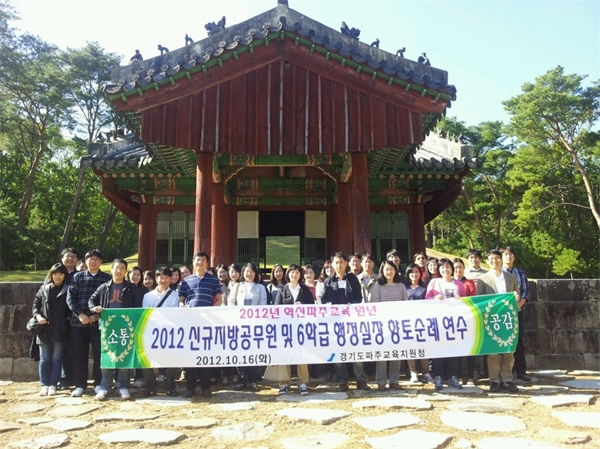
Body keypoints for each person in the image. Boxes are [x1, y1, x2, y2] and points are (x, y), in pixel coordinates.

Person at [89, 259, 142, 400]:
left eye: (122, 268)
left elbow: (137, 306)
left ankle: (123, 385)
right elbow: (91, 300)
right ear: (111, 270)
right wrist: (95, 308)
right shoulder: (104, 287)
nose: (119, 271)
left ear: (125, 271)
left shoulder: (131, 288)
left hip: (125, 327)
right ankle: (105, 386)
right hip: (107, 327)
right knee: (107, 355)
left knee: (124, 355)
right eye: (116, 268)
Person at [66, 249, 111, 397]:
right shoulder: (77, 277)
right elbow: (70, 298)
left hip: (99, 323)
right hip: (78, 322)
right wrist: (80, 314)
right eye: (91, 259)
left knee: (100, 354)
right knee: (79, 354)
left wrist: (98, 315)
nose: (94, 262)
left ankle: (98, 383)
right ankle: (80, 384)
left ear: (101, 261)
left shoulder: (107, 278)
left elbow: (109, 301)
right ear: (85, 261)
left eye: (97, 259)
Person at [178, 252, 223, 398]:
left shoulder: (213, 280)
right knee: (191, 355)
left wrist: (212, 311)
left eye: (203, 260)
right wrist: (183, 307)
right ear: (193, 262)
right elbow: (181, 300)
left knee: (205, 355)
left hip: (207, 323)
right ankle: (190, 387)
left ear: (207, 263)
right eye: (198, 260)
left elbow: (219, 299)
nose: (200, 262)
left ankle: (205, 387)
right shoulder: (186, 281)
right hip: (190, 323)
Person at [323, 252, 369, 392]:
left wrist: (352, 304)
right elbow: (323, 299)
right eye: (336, 262)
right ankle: (342, 381)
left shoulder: (353, 279)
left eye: (341, 262)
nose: (339, 265)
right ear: (332, 264)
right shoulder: (328, 282)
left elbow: (359, 297)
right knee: (338, 353)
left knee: (356, 351)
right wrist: (327, 304)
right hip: (335, 323)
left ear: (346, 263)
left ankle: (361, 380)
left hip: (352, 322)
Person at [476, 249, 520, 393]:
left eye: (496, 258)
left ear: (501, 259)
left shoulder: (511, 278)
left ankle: (507, 380)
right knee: (493, 352)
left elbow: (516, 295)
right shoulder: (483, 279)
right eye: (491, 259)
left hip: (507, 317)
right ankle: (494, 380)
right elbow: (479, 299)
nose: (494, 261)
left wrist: (516, 297)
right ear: (487, 261)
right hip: (491, 318)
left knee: (508, 350)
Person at [426, 258, 466, 390]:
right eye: (442, 267)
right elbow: (426, 299)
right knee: (438, 350)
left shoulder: (459, 284)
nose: (445, 269)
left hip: (454, 322)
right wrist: (434, 298)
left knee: (453, 350)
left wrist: (461, 300)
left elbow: (466, 301)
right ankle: (438, 376)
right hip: (438, 322)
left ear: (452, 269)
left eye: (448, 267)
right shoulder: (434, 282)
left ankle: (452, 377)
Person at [140, 267, 180, 397]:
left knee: (172, 360)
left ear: (170, 279)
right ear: (156, 279)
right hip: (151, 333)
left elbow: (175, 315)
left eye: (166, 277)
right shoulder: (148, 296)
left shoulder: (175, 296)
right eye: (161, 277)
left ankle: (170, 387)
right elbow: (146, 314)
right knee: (145, 359)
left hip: (169, 333)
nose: (163, 280)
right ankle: (150, 386)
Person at [274, 264, 314, 395]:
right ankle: (284, 383)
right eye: (292, 272)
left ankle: (303, 382)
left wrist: (302, 306)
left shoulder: (304, 290)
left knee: (301, 355)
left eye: (297, 272)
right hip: (286, 328)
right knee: (285, 355)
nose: (294, 275)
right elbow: (277, 309)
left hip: (301, 328)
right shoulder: (282, 290)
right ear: (288, 274)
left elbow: (312, 307)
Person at [227, 262, 266, 391]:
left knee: (254, 351)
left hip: (255, 325)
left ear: (256, 274)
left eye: (252, 271)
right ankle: (242, 379)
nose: (249, 274)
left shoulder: (261, 288)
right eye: (247, 271)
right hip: (240, 325)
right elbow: (231, 303)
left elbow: (263, 305)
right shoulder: (237, 286)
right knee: (240, 352)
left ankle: (253, 380)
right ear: (243, 273)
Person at [33, 263, 70, 396]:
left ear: (65, 275)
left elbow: (71, 308)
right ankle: (44, 385)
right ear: (51, 275)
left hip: (60, 329)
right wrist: (38, 317)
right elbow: (35, 306)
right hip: (44, 329)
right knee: (44, 358)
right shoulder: (43, 289)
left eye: (61, 274)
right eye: (55, 274)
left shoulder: (68, 290)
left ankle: (53, 384)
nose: (58, 277)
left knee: (56, 358)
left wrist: (66, 320)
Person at [370, 260, 408, 390]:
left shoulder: (401, 286)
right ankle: (381, 381)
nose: (389, 272)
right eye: (386, 269)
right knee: (382, 354)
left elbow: (406, 303)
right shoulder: (378, 286)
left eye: (392, 269)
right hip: (382, 325)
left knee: (396, 354)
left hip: (398, 324)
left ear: (395, 270)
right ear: (382, 271)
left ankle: (394, 381)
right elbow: (375, 303)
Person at [501, 246, 531, 381]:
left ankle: (521, 371)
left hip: (518, 310)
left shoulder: (520, 272)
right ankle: (507, 371)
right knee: (503, 341)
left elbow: (526, 290)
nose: (508, 256)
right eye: (506, 254)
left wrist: (519, 305)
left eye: (511, 254)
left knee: (519, 340)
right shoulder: (499, 273)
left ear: (514, 257)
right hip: (502, 312)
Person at [404, 263, 432, 383]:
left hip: (423, 322)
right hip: (408, 321)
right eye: (411, 272)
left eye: (416, 272)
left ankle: (426, 372)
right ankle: (413, 372)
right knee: (410, 347)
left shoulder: (425, 287)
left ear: (420, 273)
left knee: (423, 347)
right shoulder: (404, 288)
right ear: (407, 274)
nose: (414, 274)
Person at [453, 257, 477, 385]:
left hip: (467, 318)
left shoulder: (469, 282)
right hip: (453, 320)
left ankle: (471, 376)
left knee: (470, 349)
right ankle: (458, 376)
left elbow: (473, 299)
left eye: (460, 267)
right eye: (455, 267)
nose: (458, 270)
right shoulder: (449, 283)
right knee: (456, 350)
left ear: (464, 268)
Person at [126, 265, 148, 388]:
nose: (135, 277)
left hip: (140, 323)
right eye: (133, 274)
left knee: (139, 350)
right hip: (124, 322)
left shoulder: (144, 290)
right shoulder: (124, 287)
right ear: (128, 274)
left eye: (138, 275)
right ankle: (121, 379)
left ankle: (139, 377)